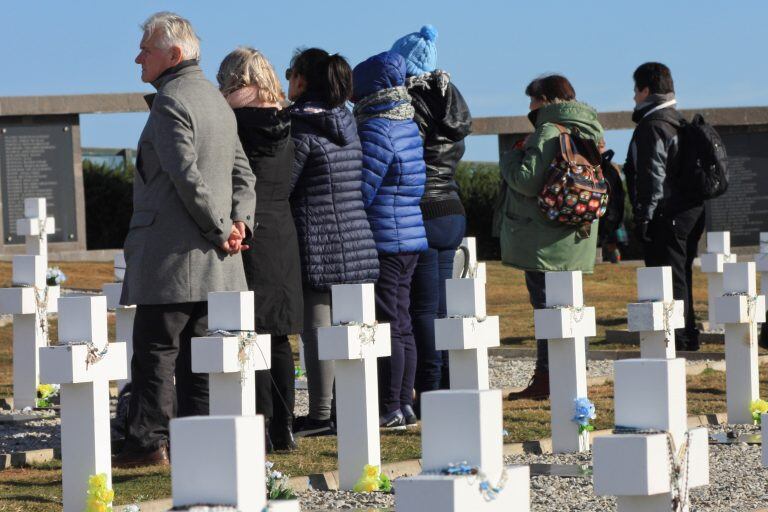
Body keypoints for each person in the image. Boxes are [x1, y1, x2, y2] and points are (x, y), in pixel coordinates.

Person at [116, 12, 256, 466]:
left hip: (174, 257)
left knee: (156, 351)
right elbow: (243, 174)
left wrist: (222, 230)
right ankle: (196, 441)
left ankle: (147, 444)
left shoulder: (172, 102)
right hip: (216, 259)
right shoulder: (218, 102)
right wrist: (240, 225)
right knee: (198, 355)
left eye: (147, 49)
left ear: (173, 55)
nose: (138, 56)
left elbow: (185, 177)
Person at [287, 48, 379, 436]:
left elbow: (283, 184)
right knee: (350, 333)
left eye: (289, 72)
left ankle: (322, 414)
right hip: (356, 236)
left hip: (317, 238)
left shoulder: (300, 128)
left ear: (303, 80)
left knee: (317, 330)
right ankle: (350, 407)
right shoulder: (347, 121)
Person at [217, 47, 303, 452]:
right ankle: (283, 430)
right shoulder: (288, 119)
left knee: (246, 333)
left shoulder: (228, 121)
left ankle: (258, 424)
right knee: (279, 337)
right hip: (281, 229)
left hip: (245, 228)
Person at [499, 75, 603, 400]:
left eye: (532, 100)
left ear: (545, 100)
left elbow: (526, 182)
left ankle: (546, 379)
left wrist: (511, 157)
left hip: (544, 239)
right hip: (577, 234)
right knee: (572, 308)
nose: (530, 107)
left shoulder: (547, 130)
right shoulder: (590, 129)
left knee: (546, 308)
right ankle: (574, 372)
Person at [390, 25, 473, 410]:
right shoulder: (451, 101)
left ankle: (431, 390)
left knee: (421, 309)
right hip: (451, 209)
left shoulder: (409, 105)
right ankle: (444, 384)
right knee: (439, 306)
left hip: (422, 210)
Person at [352, 51, 428, 428]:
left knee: (387, 324)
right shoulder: (406, 122)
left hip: (385, 236)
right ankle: (405, 402)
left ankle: (390, 406)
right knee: (403, 321)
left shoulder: (376, 128)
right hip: (410, 235)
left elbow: (363, 188)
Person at [624, 62, 704, 352]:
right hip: (691, 212)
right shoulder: (677, 121)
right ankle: (687, 335)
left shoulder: (654, 125)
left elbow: (652, 176)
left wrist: (644, 218)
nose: (633, 97)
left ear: (646, 90)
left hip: (667, 214)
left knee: (669, 277)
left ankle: (678, 339)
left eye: (635, 90)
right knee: (681, 275)